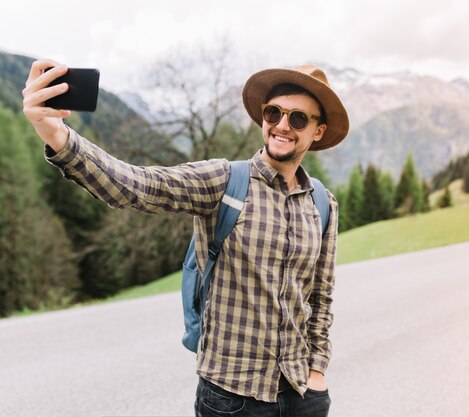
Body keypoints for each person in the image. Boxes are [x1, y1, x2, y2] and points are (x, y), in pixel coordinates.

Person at [22, 59, 349, 417]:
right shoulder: (223, 181)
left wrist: (317, 371)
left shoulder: (322, 203)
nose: (282, 125)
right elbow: (136, 185)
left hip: (303, 395)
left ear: (318, 131)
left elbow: (320, 296)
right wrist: (56, 134)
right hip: (232, 398)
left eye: (298, 118)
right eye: (274, 113)